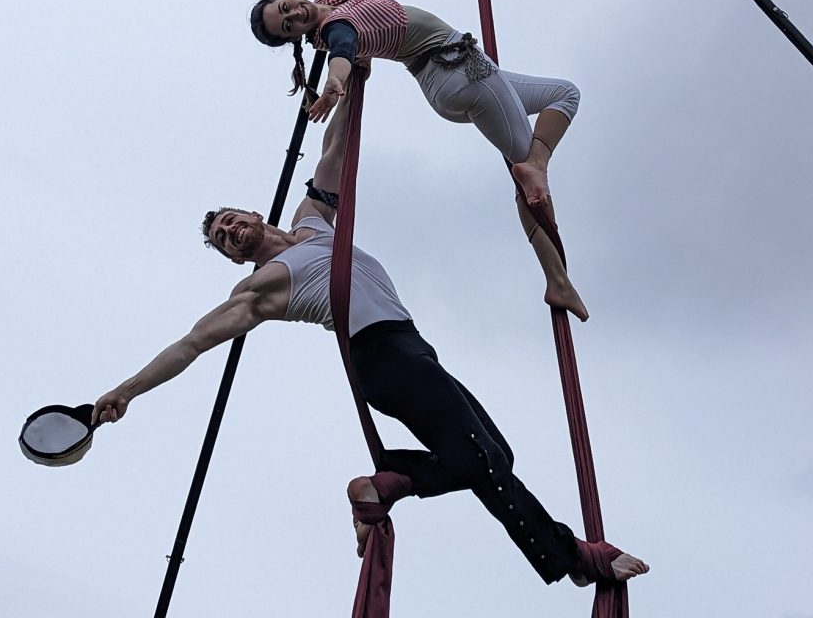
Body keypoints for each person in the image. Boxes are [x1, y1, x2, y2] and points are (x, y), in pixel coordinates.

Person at [91, 95, 648, 591]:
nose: (233, 233)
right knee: (479, 457)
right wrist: (127, 390)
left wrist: (349, 70)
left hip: (412, 347)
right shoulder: (259, 288)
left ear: (255, 213)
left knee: (493, 455)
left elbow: (338, 142)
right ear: (235, 259)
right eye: (224, 241)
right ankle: (572, 556)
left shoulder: (313, 220)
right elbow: (191, 344)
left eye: (233, 222)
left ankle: (390, 483)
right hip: (381, 357)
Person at [248, 0, 589, 322]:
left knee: (563, 95)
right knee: (529, 179)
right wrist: (335, 85)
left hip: (458, 74)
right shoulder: (334, 30)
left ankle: (535, 165)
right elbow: (342, 52)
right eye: (288, 26)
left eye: (285, 8)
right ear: (295, 37)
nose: (294, 15)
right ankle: (557, 279)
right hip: (459, 72)